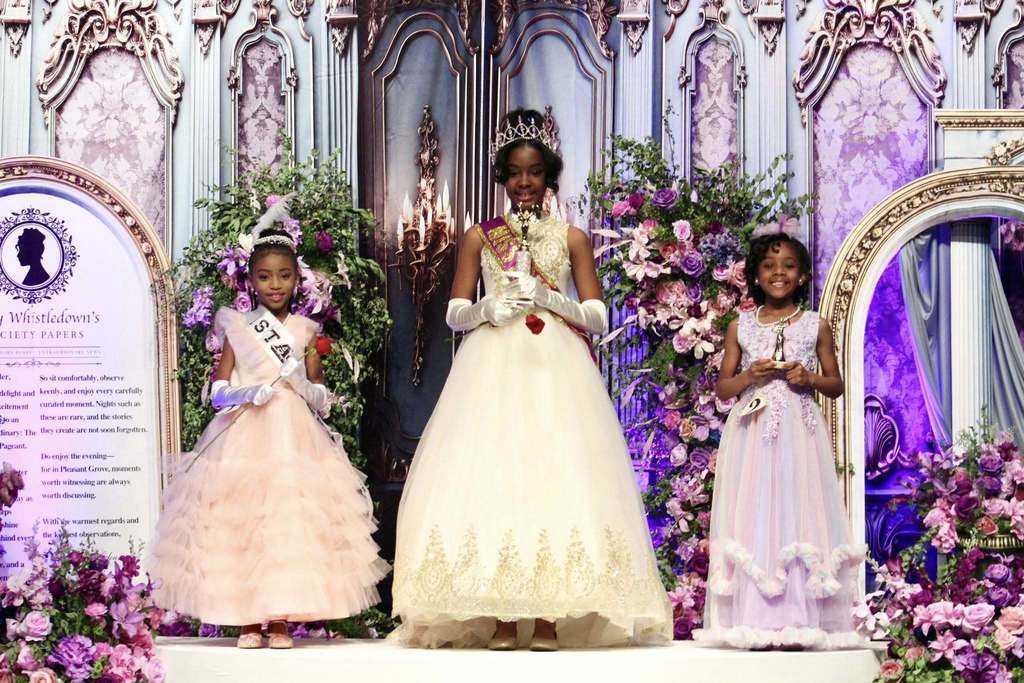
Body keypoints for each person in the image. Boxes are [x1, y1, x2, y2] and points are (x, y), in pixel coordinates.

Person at [390, 108, 672, 651]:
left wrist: (547, 296)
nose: (525, 182)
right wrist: (488, 309)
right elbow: (452, 312)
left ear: (549, 176)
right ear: (502, 176)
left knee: (553, 475)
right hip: (493, 365)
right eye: (516, 172)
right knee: (495, 476)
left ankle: (546, 615)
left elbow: (597, 316)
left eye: (535, 171)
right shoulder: (480, 236)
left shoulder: (572, 238)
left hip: (555, 368)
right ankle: (497, 613)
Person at [148, 220, 389, 649]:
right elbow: (217, 391)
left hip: (295, 438)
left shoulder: (307, 331)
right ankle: (247, 619)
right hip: (245, 434)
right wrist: (246, 391)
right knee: (242, 523)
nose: (274, 285)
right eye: (264, 276)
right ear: (251, 280)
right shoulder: (238, 328)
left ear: (297, 279)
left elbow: (321, 399)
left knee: (286, 522)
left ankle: (279, 619)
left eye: (283, 275)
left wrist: (300, 382)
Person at [694, 227, 865, 650]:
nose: (779, 273)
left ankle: (800, 615)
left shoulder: (815, 326)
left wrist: (809, 377)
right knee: (755, 510)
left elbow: (836, 385)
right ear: (754, 276)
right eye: (769, 266)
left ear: (803, 275)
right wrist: (750, 376)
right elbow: (723, 389)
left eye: (788, 266)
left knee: (796, 509)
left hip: (799, 433)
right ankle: (755, 616)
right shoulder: (741, 327)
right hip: (753, 435)